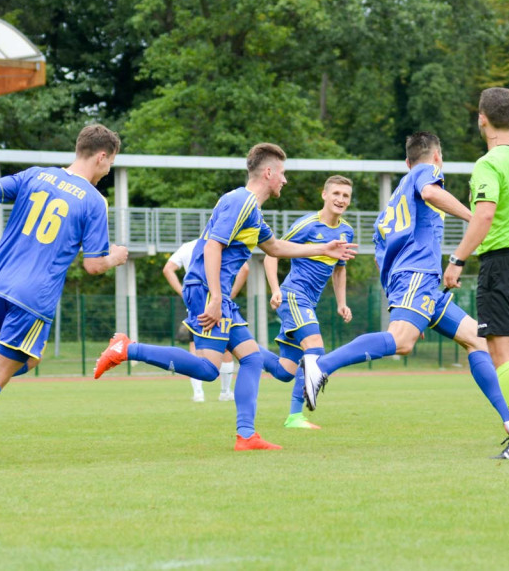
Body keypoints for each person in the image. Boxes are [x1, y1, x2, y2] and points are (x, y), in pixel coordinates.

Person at [93, 143, 356, 451]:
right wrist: (216, 297)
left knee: (253, 358)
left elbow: (275, 249)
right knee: (207, 369)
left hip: (215, 292)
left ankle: (246, 435)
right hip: (206, 289)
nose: (284, 180)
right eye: (282, 174)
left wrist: (323, 249)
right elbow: (213, 247)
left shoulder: (252, 212)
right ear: (269, 173)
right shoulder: (241, 201)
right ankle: (128, 349)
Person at [0, 124, 129, 464]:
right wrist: (115, 257)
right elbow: (93, 265)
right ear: (102, 156)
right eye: (110, 163)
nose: (108, 170)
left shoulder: (37, 175)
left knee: (29, 358)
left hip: (1, 280)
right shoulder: (93, 201)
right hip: (34, 294)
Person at [301, 132, 509, 441]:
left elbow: (381, 255)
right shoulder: (426, 171)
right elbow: (431, 193)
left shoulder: (391, 206)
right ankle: (321, 365)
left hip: (419, 282)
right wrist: (475, 218)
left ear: (405, 162)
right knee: (401, 341)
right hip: (418, 276)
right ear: (436, 157)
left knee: (477, 340)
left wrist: (400, 293)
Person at [442, 87, 509, 460]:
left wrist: (457, 259)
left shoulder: (488, 163)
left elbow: (484, 215)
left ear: (481, 117)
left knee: (502, 357)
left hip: (501, 266)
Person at [257, 175, 356, 430]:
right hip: (293, 295)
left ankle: (245, 349)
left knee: (284, 371)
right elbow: (271, 253)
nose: (340, 199)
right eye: (336, 193)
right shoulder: (307, 226)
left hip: (309, 303)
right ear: (324, 195)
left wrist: (341, 303)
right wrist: (275, 289)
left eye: (345, 195)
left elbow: (339, 269)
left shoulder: (346, 231)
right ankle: (299, 411)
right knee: (315, 348)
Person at [164, 240, 236, 401]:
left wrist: (183, 292)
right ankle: (225, 392)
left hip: (196, 305)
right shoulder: (222, 243)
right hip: (220, 303)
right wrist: (230, 294)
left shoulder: (187, 247)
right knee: (226, 349)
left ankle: (198, 393)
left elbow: (168, 269)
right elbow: (244, 269)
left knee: (195, 349)